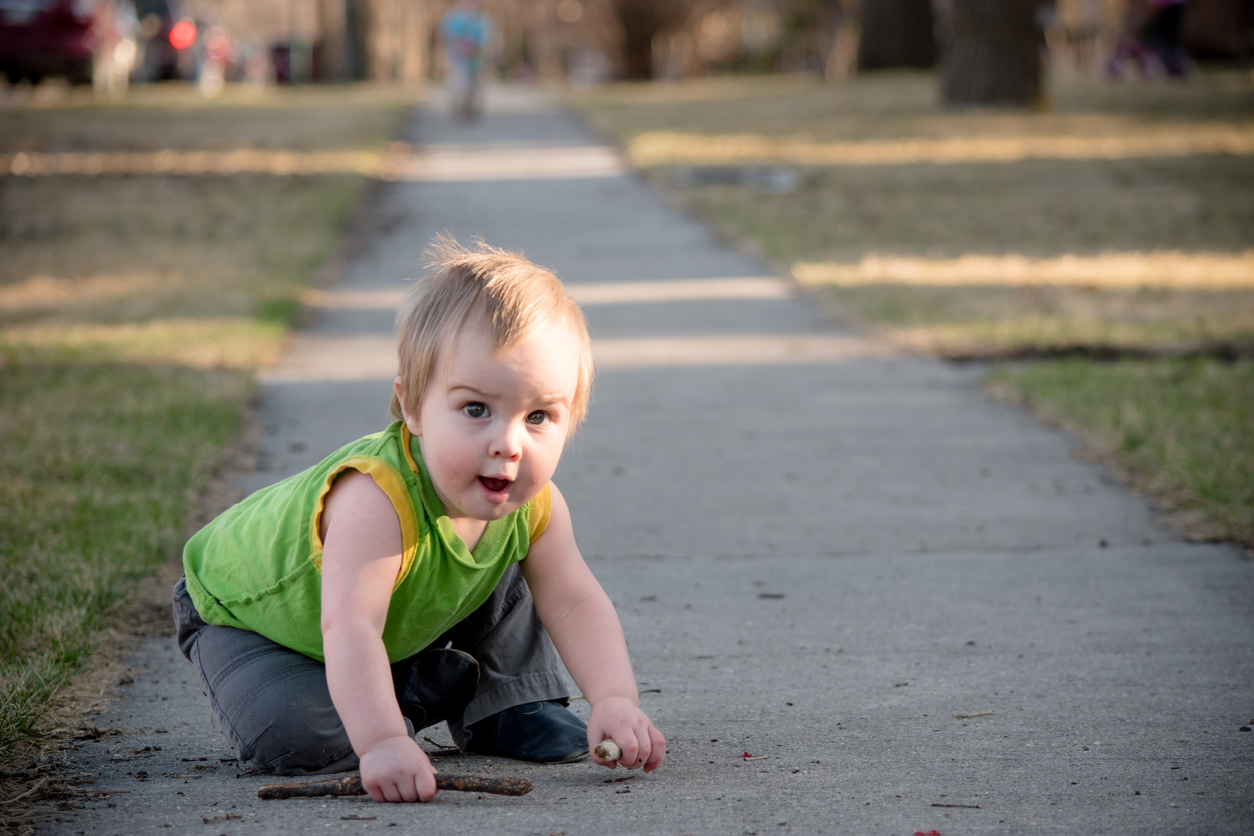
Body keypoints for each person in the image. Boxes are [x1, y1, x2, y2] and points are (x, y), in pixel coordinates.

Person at [173, 237, 666, 803]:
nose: (507, 444)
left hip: (386, 617)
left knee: (510, 553)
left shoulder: (531, 499)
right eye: (475, 409)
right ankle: (412, 693)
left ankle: (506, 701)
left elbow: (574, 600)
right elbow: (350, 626)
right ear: (411, 407)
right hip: (252, 620)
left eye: (538, 417)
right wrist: (382, 739)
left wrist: (615, 700)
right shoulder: (375, 499)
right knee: (299, 738)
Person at [440, 0, 491, 121]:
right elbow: (444, 35)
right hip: (457, 57)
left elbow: (487, 38)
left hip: (475, 57)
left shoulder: (482, 18)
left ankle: (469, 109)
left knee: (473, 84)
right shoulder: (452, 17)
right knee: (459, 83)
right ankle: (458, 108)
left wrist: (485, 54)